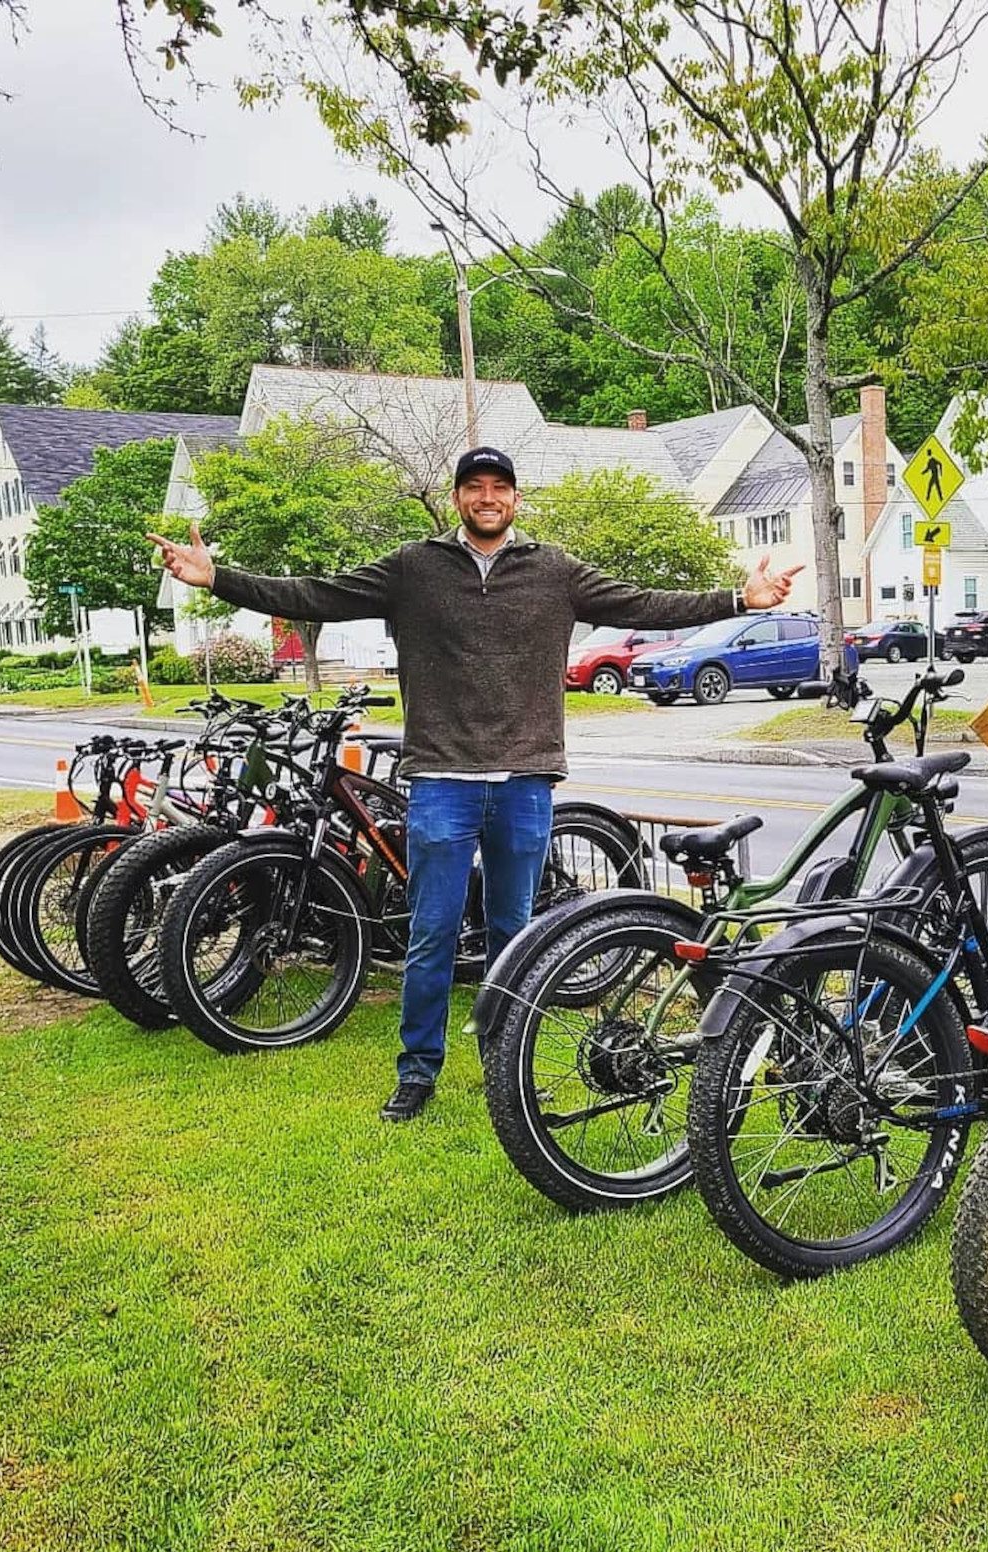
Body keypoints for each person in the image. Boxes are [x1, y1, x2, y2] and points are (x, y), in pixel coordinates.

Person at [147, 445, 804, 1123]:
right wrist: (216, 577)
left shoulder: (554, 570)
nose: (487, 497)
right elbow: (315, 594)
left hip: (524, 782)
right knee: (431, 935)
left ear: (515, 499)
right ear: (457, 497)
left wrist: (739, 599)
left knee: (514, 938)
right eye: (474, 487)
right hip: (442, 781)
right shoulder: (413, 568)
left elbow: (644, 603)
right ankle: (417, 1071)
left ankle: (504, 1067)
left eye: (499, 487)